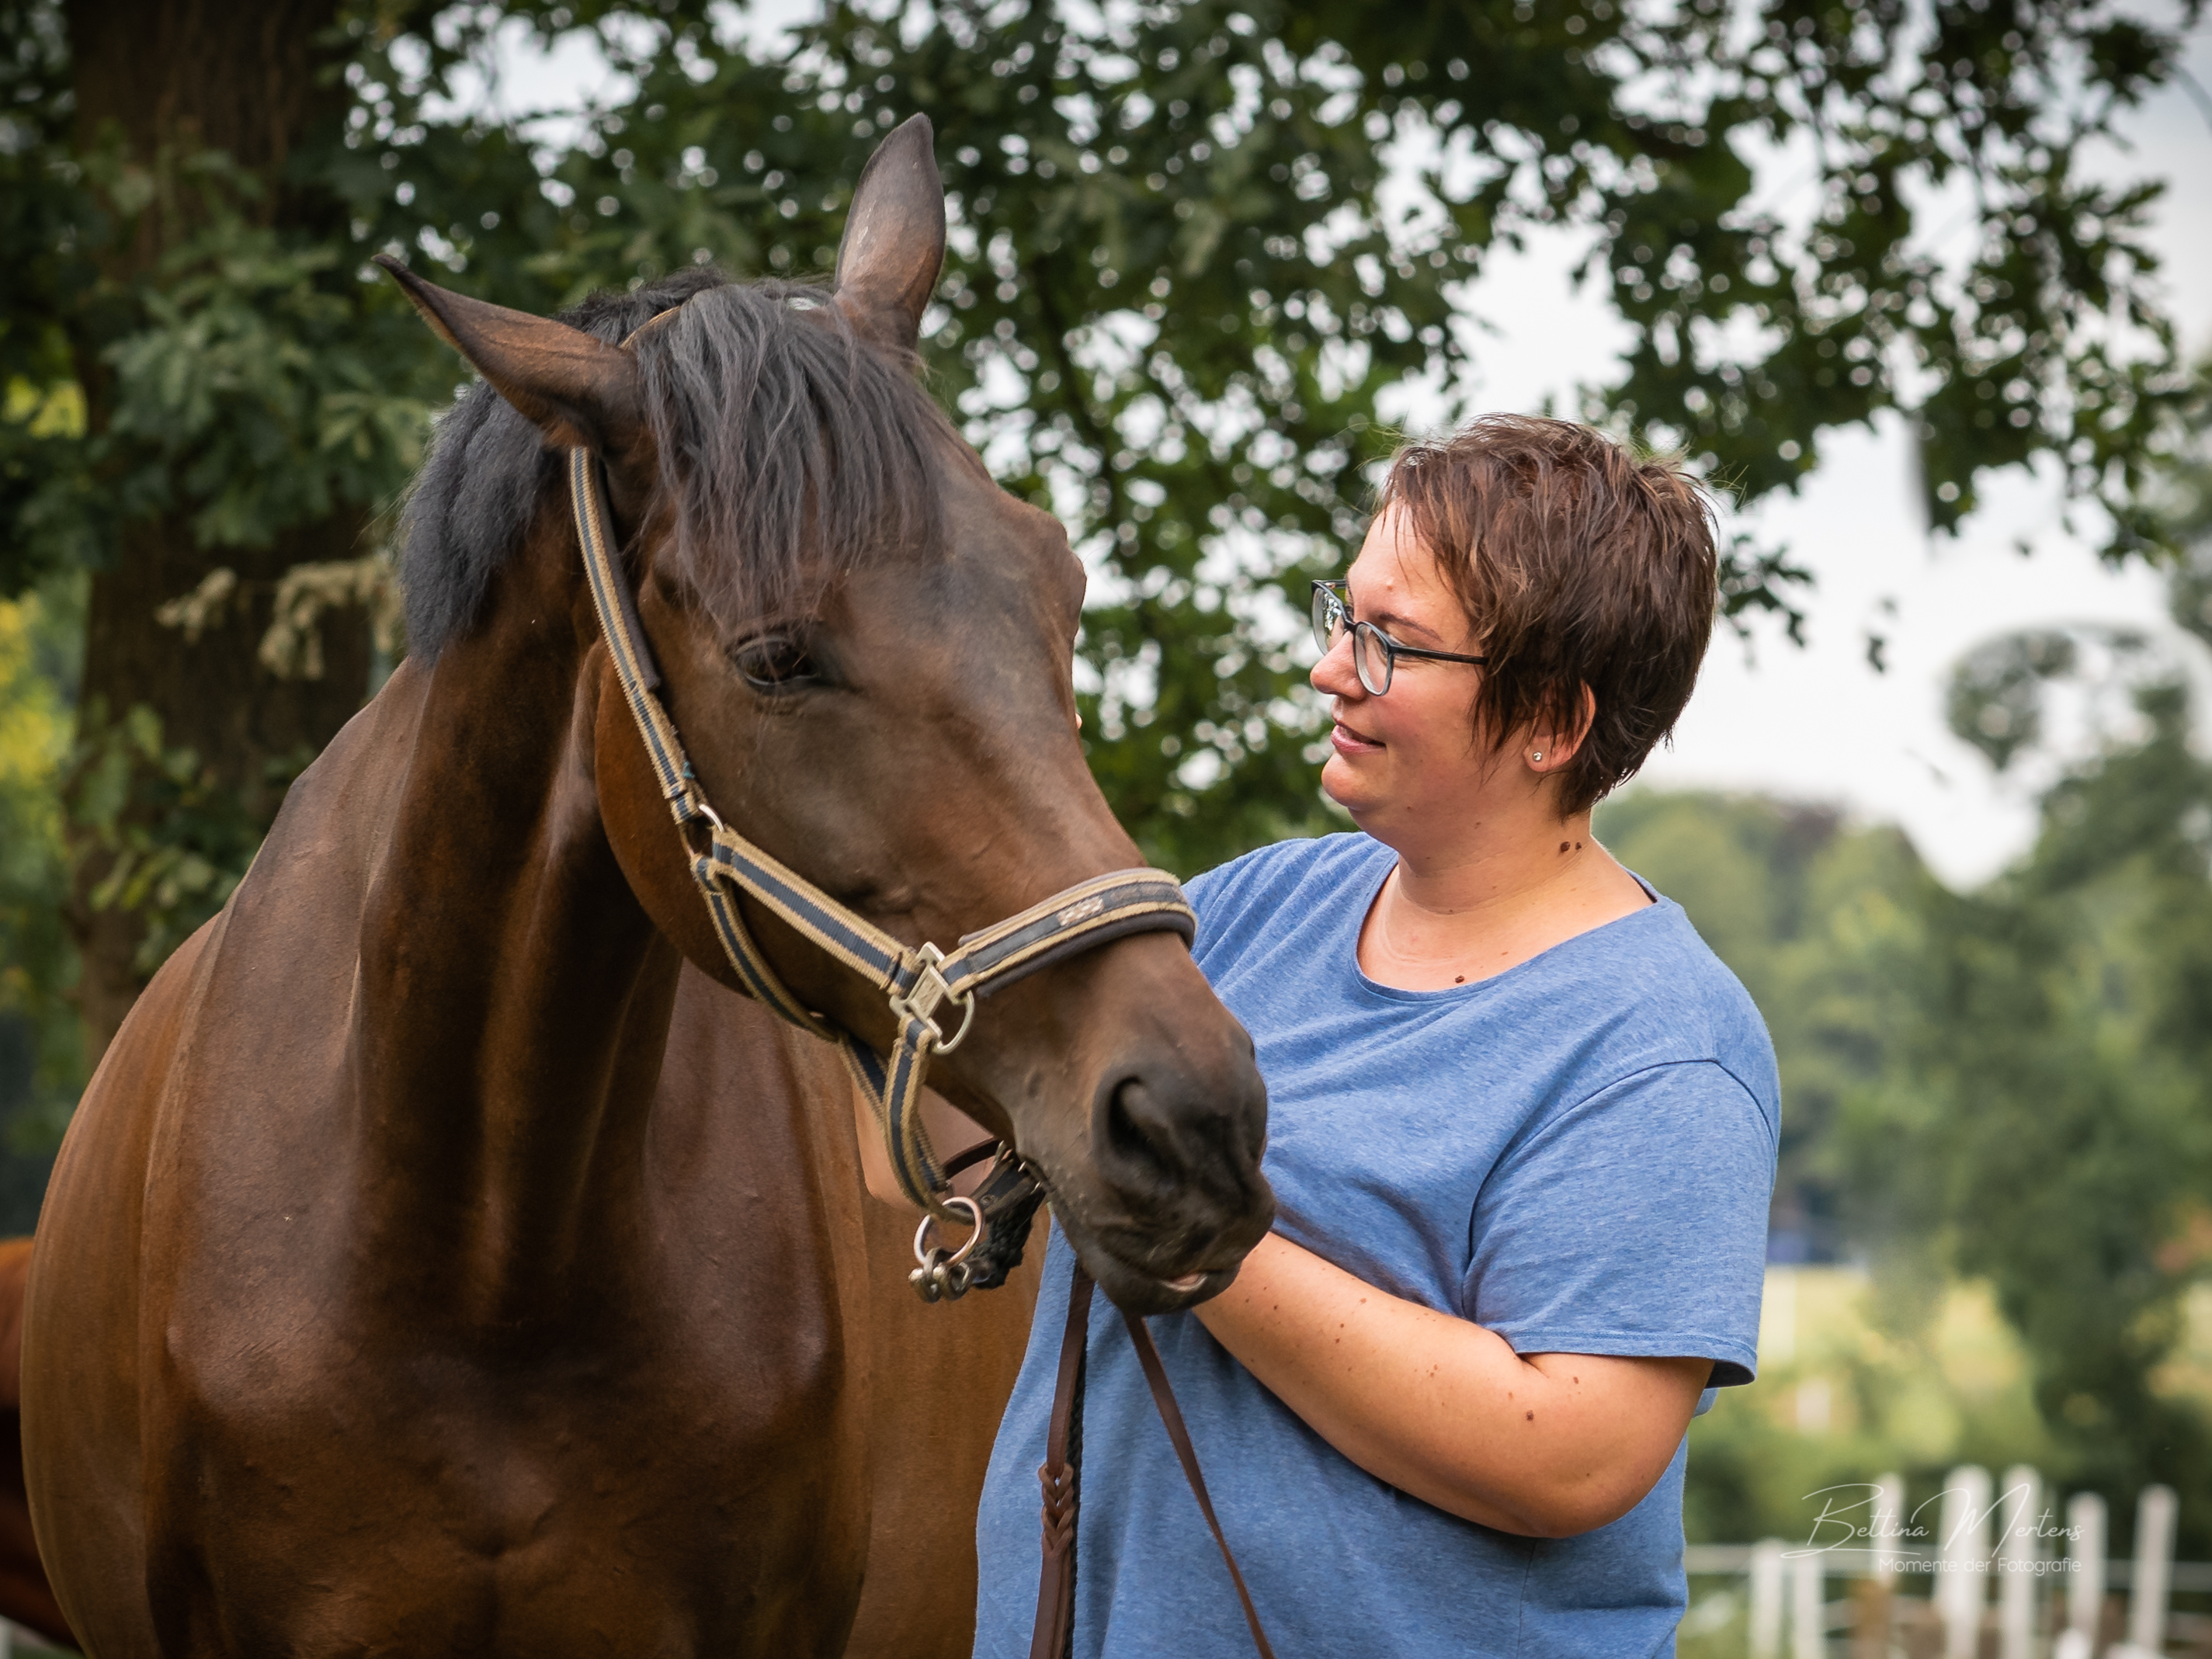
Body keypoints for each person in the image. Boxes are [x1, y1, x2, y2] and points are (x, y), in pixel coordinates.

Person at [969, 414, 1780, 1658]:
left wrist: (1204, 1248)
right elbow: (950, 1137)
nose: (1328, 669)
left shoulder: (1658, 1046)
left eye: (1388, 642)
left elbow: (1571, 1454)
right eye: (1341, 616)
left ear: (1549, 722)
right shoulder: (1245, 910)